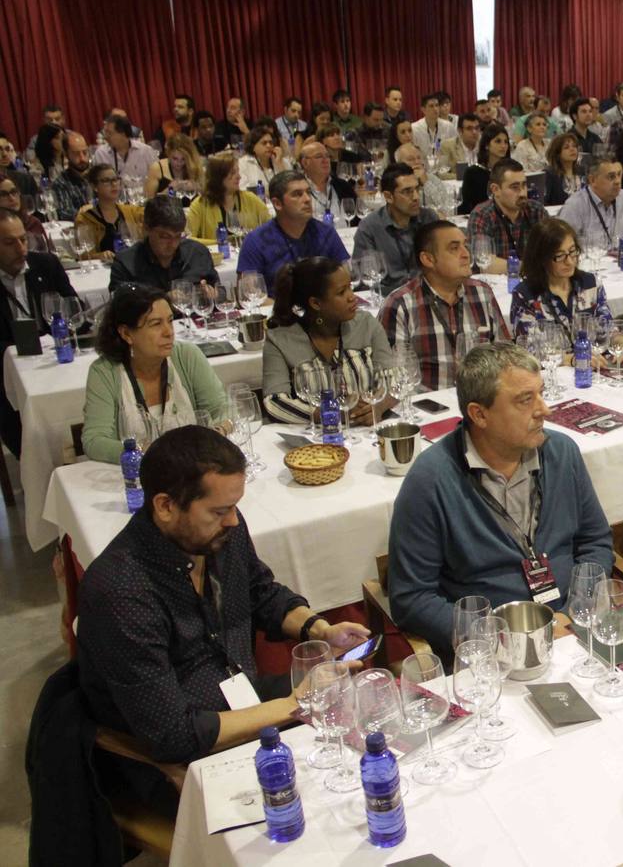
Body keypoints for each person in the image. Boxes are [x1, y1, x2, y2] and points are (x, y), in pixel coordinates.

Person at [77, 424, 370, 770]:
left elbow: (260, 593)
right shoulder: (121, 592)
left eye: (234, 507)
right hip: (183, 759)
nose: (233, 520)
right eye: (218, 511)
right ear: (166, 506)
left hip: (248, 704)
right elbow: (173, 735)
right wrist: (295, 703)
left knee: (368, 727)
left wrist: (319, 630)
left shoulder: (219, 531)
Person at [387, 342, 613, 647]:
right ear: (479, 415)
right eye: (525, 400)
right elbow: (411, 600)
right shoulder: (431, 481)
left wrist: (576, 611)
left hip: (573, 628)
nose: (544, 410)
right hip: (491, 654)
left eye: (541, 393)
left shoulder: (562, 453)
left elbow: (595, 541)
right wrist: (499, 637)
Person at [80, 285, 228, 462]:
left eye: (170, 320)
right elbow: (94, 441)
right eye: (156, 324)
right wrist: (147, 451)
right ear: (126, 333)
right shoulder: (105, 372)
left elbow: (222, 409)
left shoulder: (187, 356)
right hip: (136, 477)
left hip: (192, 469)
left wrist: (216, 433)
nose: (169, 332)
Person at [261, 256, 396, 424]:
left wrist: (379, 407)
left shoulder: (366, 324)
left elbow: (394, 380)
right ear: (316, 303)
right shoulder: (280, 340)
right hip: (314, 441)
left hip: (369, 432)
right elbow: (275, 402)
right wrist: (332, 415)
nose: (352, 297)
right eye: (341, 292)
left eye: (350, 288)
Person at [379, 220, 511, 389]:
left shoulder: (482, 293)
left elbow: (506, 356)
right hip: (429, 408)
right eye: (454, 248)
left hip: (480, 400)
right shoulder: (400, 305)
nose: (466, 254)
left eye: (465, 245)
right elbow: (393, 379)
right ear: (428, 259)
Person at [0, 208, 77, 456]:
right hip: (6, 374)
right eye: (10, 243)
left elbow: (74, 309)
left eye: (23, 239)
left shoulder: (46, 265)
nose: (21, 249)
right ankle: (35, 467)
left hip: (58, 362)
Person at [237, 171, 350, 296]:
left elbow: (346, 281)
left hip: (323, 311)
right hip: (277, 312)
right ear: (277, 204)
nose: (307, 199)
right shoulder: (256, 241)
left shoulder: (326, 233)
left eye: (308, 192)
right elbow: (249, 295)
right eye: (297, 194)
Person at [509, 217, 614, 341]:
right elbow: (528, 349)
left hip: (596, 358)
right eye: (559, 256)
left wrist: (620, 342)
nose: (569, 262)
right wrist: (571, 359)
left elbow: (609, 329)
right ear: (541, 258)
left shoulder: (591, 284)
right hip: (556, 360)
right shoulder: (525, 295)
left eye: (572, 251)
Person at [351, 163, 439, 294]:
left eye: (417, 189)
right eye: (407, 192)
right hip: (389, 297)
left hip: (428, 293)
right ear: (388, 196)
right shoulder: (370, 227)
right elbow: (364, 280)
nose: (416, 197)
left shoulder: (428, 218)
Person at [110, 196, 217, 293]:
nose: (173, 244)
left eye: (178, 236)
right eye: (165, 237)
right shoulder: (125, 264)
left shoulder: (197, 253)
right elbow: (119, 310)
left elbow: (220, 292)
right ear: (146, 228)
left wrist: (214, 294)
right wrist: (165, 301)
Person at [467, 159, 547, 274]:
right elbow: (484, 263)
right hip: (496, 285)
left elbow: (553, 248)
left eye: (524, 185)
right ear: (495, 190)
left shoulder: (536, 210)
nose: (522, 193)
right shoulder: (482, 215)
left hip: (533, 282)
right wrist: (528, 268)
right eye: (515, 187)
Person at [185, 152, 270, 245]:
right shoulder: (200, 205)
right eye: (233, 173)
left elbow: (271, 227)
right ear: (218, 177)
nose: (239, 177)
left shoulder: (251, 199)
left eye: (238, 171)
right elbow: (188, 238)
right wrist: (219, 242)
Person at [556, 157, 623, 248]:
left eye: (619, 175)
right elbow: (561, 245)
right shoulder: (575, 205)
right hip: (589, 261)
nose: (617, 181)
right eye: (611, 177)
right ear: (593, 180)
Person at [74, 165, 144, 259]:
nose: (114, 184)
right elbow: (84, 255)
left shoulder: (131, 211)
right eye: (106, 181)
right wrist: (99, 256)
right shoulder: (85, 219)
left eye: (116, 179)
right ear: (95, 187)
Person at [298, 140, 355, 223]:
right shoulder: (297, 190)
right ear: (305, 162)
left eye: (327, 156)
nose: (325, 160)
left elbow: (356, 217)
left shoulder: (343, 186)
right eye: (319, 156)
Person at [459, 123, 510, 215]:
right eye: (498, 141)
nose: (503, 146)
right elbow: (466, 206)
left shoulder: (511, 170)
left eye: (506, 142)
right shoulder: (473, 172)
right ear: (487, 145)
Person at [92, 115, 158, 185]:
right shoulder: (100, 154)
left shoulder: (146, 151)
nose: (105, 137)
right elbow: (96, 183)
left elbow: (158, 176)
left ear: (123, 133)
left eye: (109, 133)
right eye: (105, 132)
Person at [393, 143, 455, 216]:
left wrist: (426, 183)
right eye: (411, 159)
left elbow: (447, 209)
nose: (417, 162)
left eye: (419, 158)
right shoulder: (395, 182)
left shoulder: (432, 179)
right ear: (399, 164)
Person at [0, 172, 50, 253]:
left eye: (14, 192)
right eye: (3, 195)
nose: (12, 198)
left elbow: (47, 255)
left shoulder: (32, 223)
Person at [142, 135, 203, 201]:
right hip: (165, 210)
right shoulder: (157, 169)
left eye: (183, 159)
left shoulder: (195, 166)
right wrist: (171, 190)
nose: (179, 163)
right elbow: (149, 202)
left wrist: (196, 187)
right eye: (175, 159)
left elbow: (207, 195)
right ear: (168, 154)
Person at [51, 131, 93, 220]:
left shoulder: (98, 175)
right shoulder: (61, 183)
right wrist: (87, 213)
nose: (82, 158)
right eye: (76, 154)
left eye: (85, 152)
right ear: (66, 155)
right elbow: (64, 212)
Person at [236, 124, 290, 194]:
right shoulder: (243, 163)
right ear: (253, 147)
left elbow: (290, 186)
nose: (269, 146)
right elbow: (243, 189)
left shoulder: (281, 160)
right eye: (264, 143)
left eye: (271, 143)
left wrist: (279, 164)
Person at [412, 93, 455, 168]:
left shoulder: (448, 126)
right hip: (424, 169)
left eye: (437, 105)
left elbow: (454, 148)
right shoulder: (414, 128)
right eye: (431, 106)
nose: (435, 109)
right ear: (423, 109)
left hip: (444, 169)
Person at [543, 133, 583, 206]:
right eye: (566, 147)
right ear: (557, 154)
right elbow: (544, 202)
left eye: (574, 146)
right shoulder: (549, 174)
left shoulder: (582, 171)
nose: (572, 149)